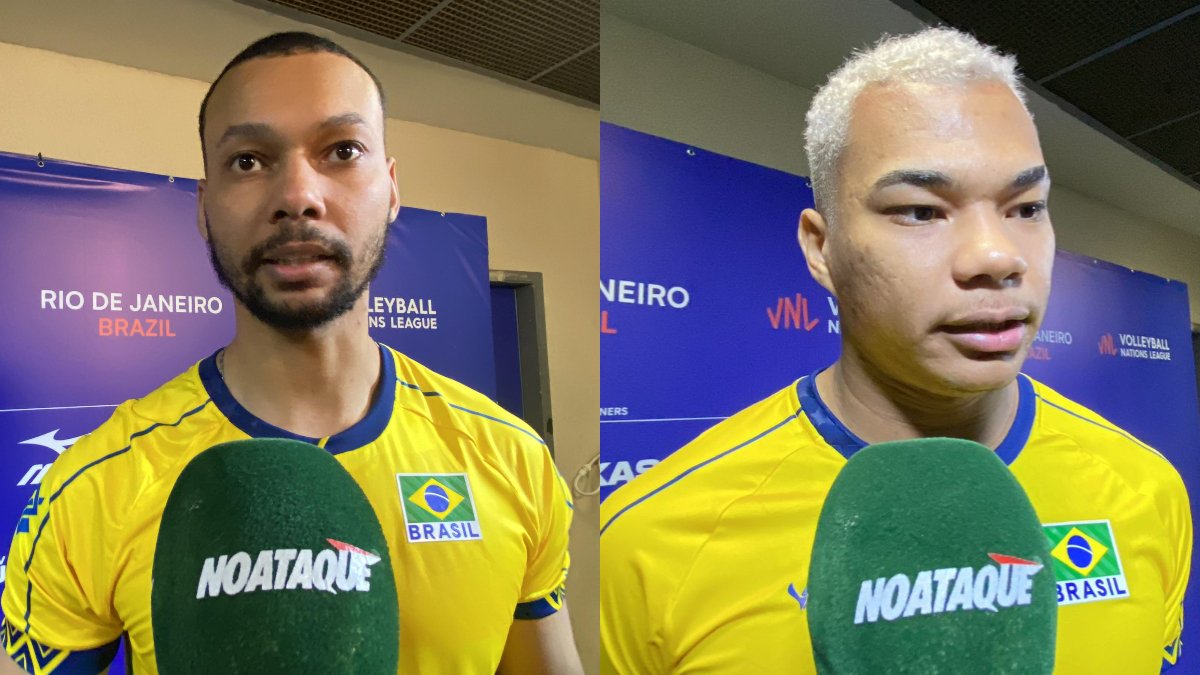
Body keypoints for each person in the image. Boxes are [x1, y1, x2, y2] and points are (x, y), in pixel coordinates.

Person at [601, 27, 1191, 673]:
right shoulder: (648, 542)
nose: (996, 256)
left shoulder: (1146, 488)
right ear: (820, 248)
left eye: (1026, 207)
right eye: (919, 211)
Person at [1, 32, 583, 675]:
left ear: (390, 191)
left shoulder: (512, 458)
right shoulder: (95, 485)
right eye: (248, 161)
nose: (298, 195)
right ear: (203, 209)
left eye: (342, 150)